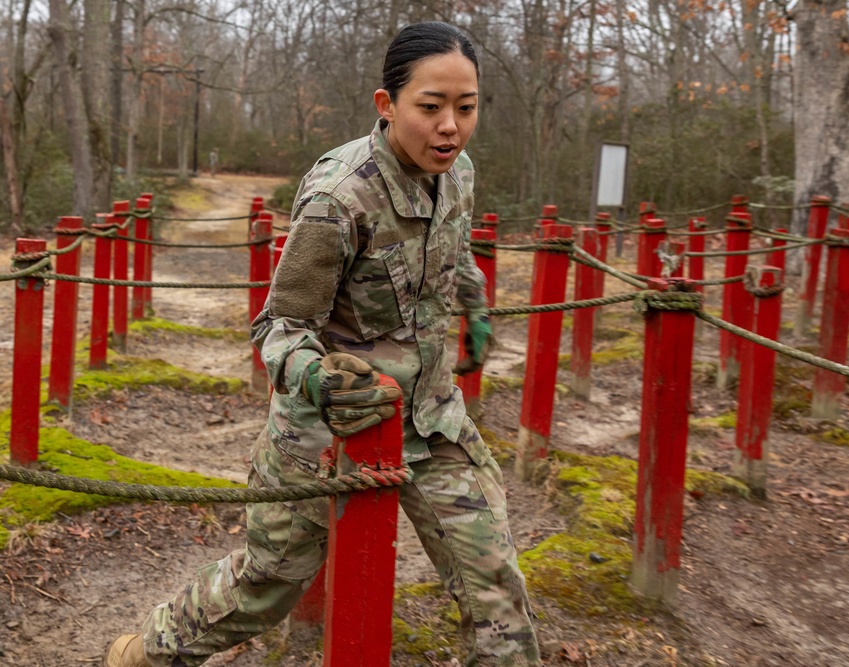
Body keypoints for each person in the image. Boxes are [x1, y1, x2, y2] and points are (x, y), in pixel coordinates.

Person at [103, 21, 541, 667]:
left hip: (431, 419)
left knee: (498, 592)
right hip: (323, 435)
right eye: (431, 107)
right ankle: (148, 651)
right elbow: (278, 326)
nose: (451, 126)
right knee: (266, 586)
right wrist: (318, 379)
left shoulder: (459, 172)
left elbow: (455, 247)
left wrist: (472, 299)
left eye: (466, 107)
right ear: (386, 105)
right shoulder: (341, 195)